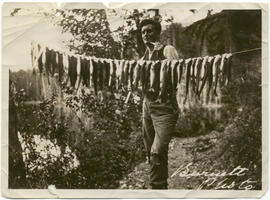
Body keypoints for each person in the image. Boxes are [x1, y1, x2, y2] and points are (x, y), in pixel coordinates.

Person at [139, 19, 179, 189]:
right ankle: (161, 187)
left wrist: (158, 55)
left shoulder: (167, 50)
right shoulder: (143, 57)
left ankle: (156, 187)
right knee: (152, 151)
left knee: (157, 150)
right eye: (143, 32)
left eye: (150, 31)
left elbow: (176, 76)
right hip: (147, 106)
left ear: (158, 33)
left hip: (164, 107)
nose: (146, 34)